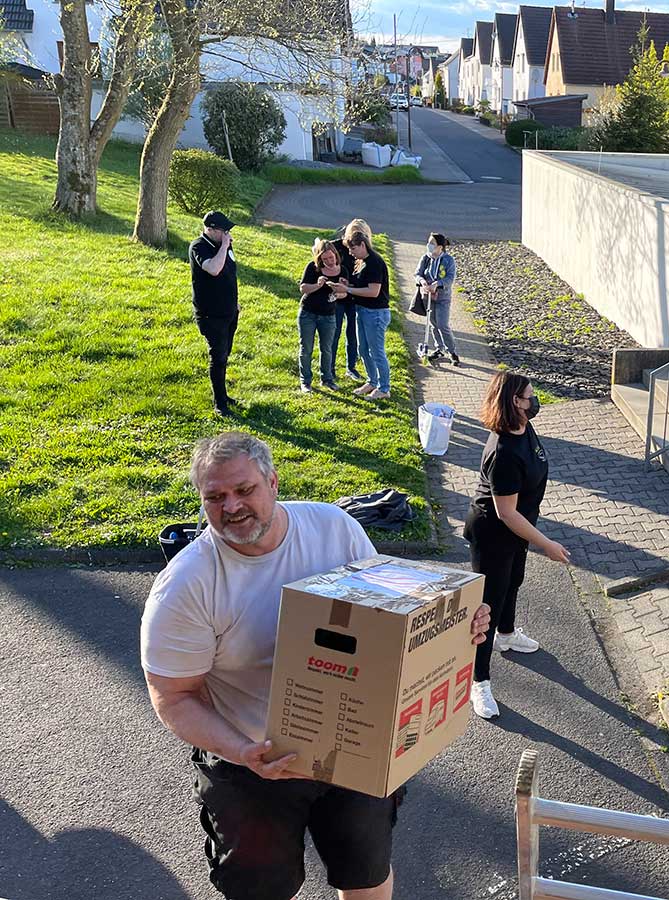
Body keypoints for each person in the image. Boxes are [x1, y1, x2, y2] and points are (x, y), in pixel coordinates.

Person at [140, 432, 491, 900]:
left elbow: (390, 618)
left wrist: (458, 628)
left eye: (244, 490)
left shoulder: (332, 528)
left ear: (272, 481)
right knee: (261, 891)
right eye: (215, 497)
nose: (232, 507)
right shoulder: (188, 586)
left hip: (353, 751)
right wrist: (244, 750)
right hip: (252, 766)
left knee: (366, 874)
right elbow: (173, 696)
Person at [463, 371, 571, 719]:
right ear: (514, 402)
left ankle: (506, 635)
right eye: (529, 396)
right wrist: (546, 544)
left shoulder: (524, 426)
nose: (534, 400)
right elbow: (506, 513)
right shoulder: (504, 452)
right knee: (486, 607)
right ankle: (478, 681)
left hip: (518, 530)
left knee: (514, 583)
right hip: (494, 534)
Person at [190, 210, 239, 416]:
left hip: (229, 311)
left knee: (225, 354)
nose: (227, 234)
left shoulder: (223, 246)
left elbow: (230, 273)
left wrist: (235, 304)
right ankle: (220, 404)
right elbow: (213, 269)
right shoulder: (199, 247)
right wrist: (225, 246)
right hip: (211, 315)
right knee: (217, 357)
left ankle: (224, 394)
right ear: (210, 229)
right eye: (223, 230)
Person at [336, 228, 392, 401]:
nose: (350, 252)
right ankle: (372, 381)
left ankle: (384, 387)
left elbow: (373, 291)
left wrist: (348, 289)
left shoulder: (374, 262)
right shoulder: (362, 261)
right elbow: (363, 282)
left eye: (352, 248)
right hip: (363, 311)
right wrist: (349, 282)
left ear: (362, 245)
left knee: (377, 351)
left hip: (375, 313)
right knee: (363, 349)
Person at [297, 238, 345, 392]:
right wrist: (318, 285)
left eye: (331, 258)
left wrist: (337, 292)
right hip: (308, 313)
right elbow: (303, 288)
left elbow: (346, 293)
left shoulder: (342, 270)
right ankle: (305, 381)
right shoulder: (313, 268)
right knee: (307, 348)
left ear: (336, 255)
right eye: (324, 259)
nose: (329, 261)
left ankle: (327, 379)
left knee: (327, 349)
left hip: (328, 315)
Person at [330, 218, 372, 382]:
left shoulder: (365, 251)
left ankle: (351, 367)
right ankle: (330, 368)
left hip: (354, 296)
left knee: (353, 334)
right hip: (339, 297)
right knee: (335, 333)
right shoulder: (336, 246)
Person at [415, 233, 460, 366]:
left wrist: (437, 284)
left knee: (443, 325)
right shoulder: (426, 258)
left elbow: (449, 278)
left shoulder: (448, 260)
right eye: (428, 242)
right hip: (427, 296)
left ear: (440, 247)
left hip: (442, 297)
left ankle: (452, 351)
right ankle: (439, 348)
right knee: (433, 323)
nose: (429, 245)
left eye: (432, 243)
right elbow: (417, 273)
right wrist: (422, 281)